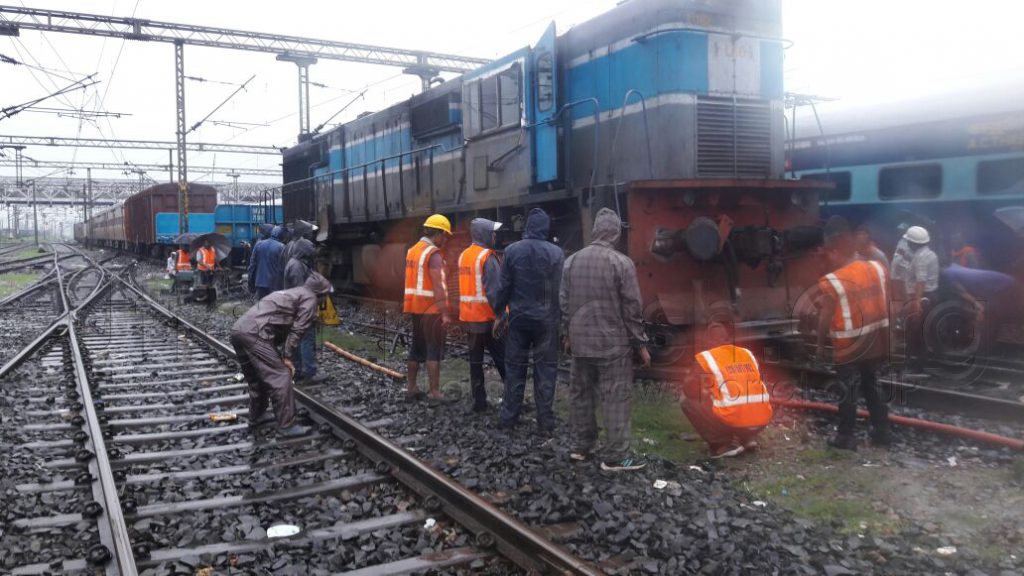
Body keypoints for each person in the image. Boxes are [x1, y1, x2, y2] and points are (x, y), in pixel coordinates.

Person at [560, 208, 650, 470]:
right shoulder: (621, 263)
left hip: (579, 343)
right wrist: (641, 345)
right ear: (615, 234)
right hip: (612, 346)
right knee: (615, 397)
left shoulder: (571, 262)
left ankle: (580, 447)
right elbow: (632, 308)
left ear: (596, 230)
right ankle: (616, 456)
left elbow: (564, 303)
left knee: (580, 394)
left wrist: (567, 335)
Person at [816, 216, 891, 450]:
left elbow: (825, 316)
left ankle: (846, 436)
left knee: (847, 389)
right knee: (871, 385)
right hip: (875, 340)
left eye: (829, 254)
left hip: (849, 344)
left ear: (837, 252)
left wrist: (820, 345)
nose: (828, 259)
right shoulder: (876, 269)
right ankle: (882, 432)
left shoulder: (835, 280)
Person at [230, 272, 333, 437]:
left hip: (239, 330)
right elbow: (298, 330)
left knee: (257, 379)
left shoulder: (294, 292)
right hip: (256, 334)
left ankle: (257, 416)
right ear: (320, 293)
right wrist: (287, 356)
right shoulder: (310, 299)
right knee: (281, 375)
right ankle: (286, 426)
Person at [493, 207, 564, 434]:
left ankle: (508, 418)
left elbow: (504, 287)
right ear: (545, 228)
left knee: (515, 368)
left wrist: (499, 313)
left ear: (527, 227)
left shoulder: (512, 251)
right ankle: (545, 423)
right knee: (546, 370)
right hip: (546, 321)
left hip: (519, 320)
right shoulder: (556, 253)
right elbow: (559, 290)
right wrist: (559, 319)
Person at [681, 323, 772, 459]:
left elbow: (689, 389)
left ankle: (722, 445)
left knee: (687, 402)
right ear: (728, 339)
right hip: (762, 421)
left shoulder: (707, 357)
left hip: (734, 419)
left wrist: (707, 392)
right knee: (738, 399)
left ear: (708, 341)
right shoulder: (746, 353)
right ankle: (748, 438)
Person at [457, 218, 507, 413]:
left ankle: (479, 402)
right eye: (492, 232)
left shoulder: (464, 256)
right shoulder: (487, 257)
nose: (495, 236)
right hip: (488, 320)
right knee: (503, 360)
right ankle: (513, 399)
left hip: (470, 320)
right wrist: (501, 316)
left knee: (475, 362)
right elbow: (495, 291)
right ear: (484, 234)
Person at [403, 214, 454, 401]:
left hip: (415, 308)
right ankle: (434, 392)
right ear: (438, 233)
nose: (445, 239)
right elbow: (438, 285)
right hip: (431, 310)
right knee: (434, 350)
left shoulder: (413, 251)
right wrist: (445, 313)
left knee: (416, 348)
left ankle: (412, 387)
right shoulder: (433, 254)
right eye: (445, 235)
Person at [283, 237, 327, 385]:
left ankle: (298, 371)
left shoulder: (296, 263)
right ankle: (309, 372)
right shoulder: (297, 267)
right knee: (306, 339)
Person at [903, 225, 939, 374]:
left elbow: (921, 281)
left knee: (915, 332)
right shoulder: (929, 254)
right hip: (929, 296)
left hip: (922, 297)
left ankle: (915, 366)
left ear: (913, 243)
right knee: (922, 330)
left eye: (908, 241)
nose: (907, 243)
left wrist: (916, 303)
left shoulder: (921, 258)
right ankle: (920, 361)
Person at [247, 225, 285, 300]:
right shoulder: (282, 247)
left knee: (262, 308)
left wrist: (250, 284)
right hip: (275, 285)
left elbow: (252, 266)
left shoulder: (259, 244)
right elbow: (283, 268)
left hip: (260, 284)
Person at [890, 222, 913, 301]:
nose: (900, 231)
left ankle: (909, 311)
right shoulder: (901, 240)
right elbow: (898, 255)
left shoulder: (910, 242)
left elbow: (912, 257)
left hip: (904, 273)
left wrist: (905, 254)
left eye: (902, 230)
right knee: (897, 296)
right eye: (899, 230)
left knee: (906, 294)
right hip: (896, 273)